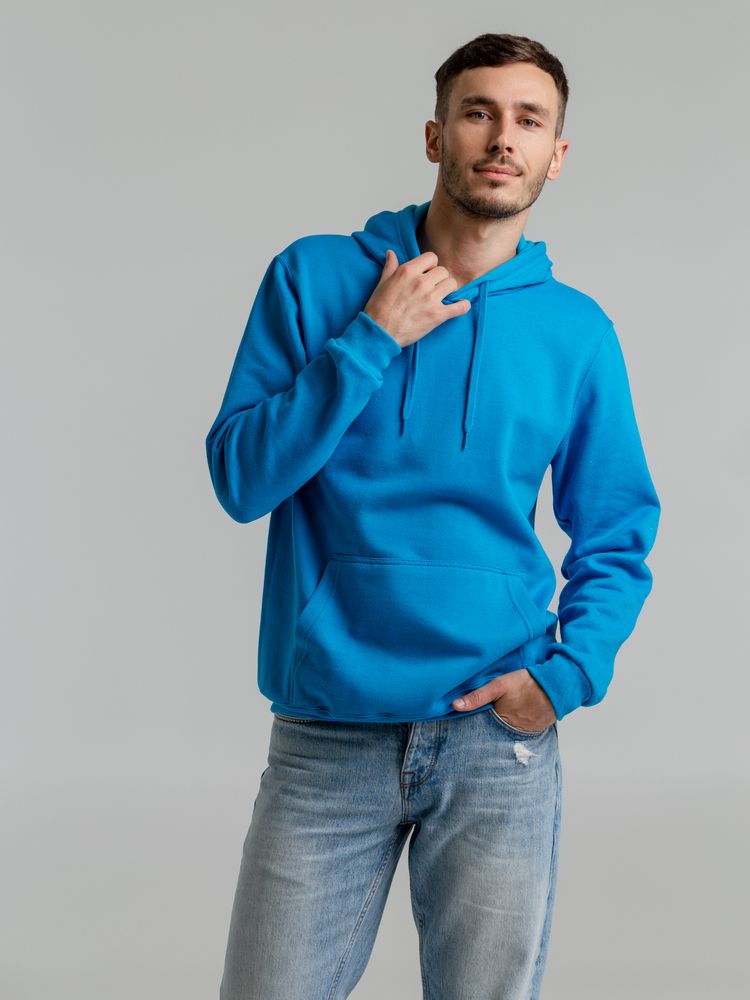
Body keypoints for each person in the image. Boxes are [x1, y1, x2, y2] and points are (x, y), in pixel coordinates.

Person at [205, 31, 661, 1000]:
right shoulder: (316, 278)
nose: (502, 138)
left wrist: (566, 676)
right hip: (329, 732)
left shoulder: (576, 331)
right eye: (478, 112)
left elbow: (618, 532)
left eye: (528, 120)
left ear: (556, 154)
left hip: (496, 737)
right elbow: (242, 479)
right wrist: (371, 338)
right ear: (434, 135)